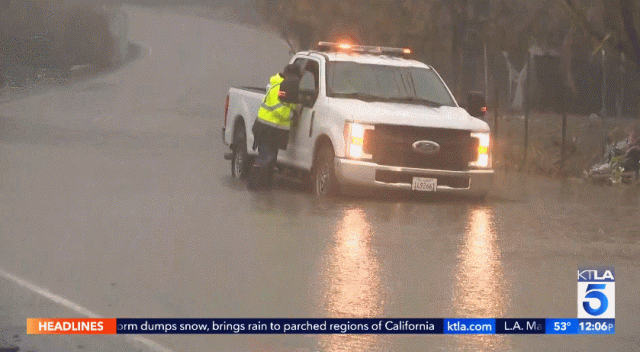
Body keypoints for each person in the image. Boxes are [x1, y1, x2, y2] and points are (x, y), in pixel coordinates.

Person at [247, 64, 301, 191]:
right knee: (265, 158)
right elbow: (278, 108)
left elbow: (286, 103)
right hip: (267, 128)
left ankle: (264, 187)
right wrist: (292, 114)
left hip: (273, 129)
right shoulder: (279, 87)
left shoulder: (285, 86)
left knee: (270, 159)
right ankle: (255, 186)